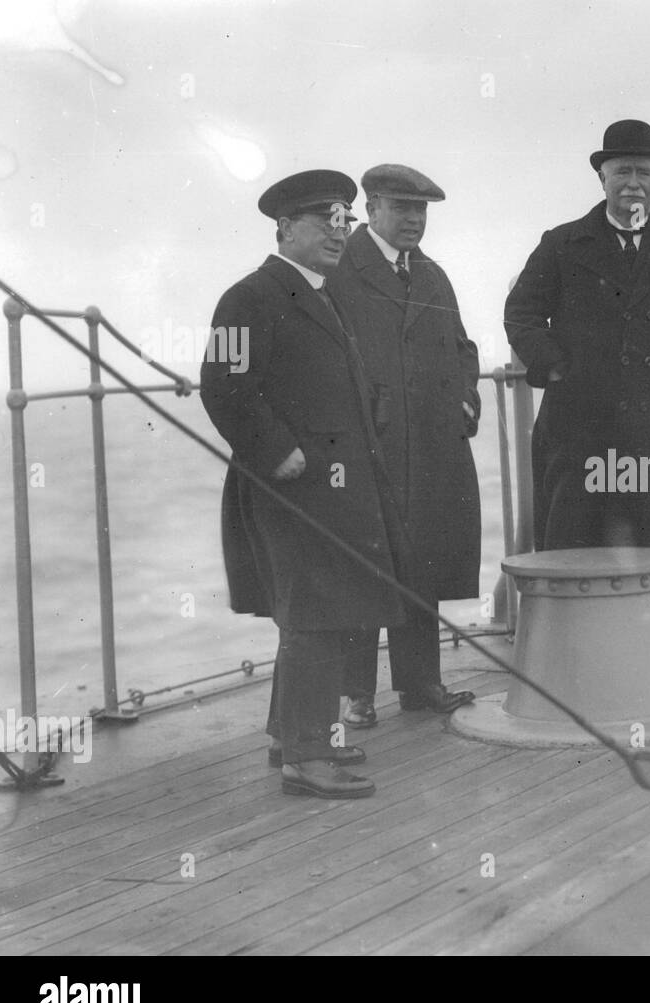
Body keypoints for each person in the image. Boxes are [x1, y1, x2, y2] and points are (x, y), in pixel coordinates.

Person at [201, 169, 406, 798]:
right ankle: (306, 757)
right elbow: (222, 385)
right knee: (313, 614)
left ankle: (288, 736)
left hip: (337, 485)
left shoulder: (323, 293)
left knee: (323, 609)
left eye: (346, 219)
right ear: (286, 227)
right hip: (288, 486)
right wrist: (276, 449)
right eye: (325, 220)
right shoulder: (250, 295)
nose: (339, 231)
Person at [504, 119, 650, 599]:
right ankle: (572, 667)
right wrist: (555, 367)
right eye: (622, 171)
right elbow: (521, 314)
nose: (633, 183)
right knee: (572, 554)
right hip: (576, 434)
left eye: (644, 172)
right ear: (602, 178)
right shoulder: (561, 244)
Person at [328, 164, 482, 726]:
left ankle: (421, 685)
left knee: (423, 562)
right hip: (371, 445)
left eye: (420, 211)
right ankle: (356, 694)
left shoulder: (433, 275)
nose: (414, 220)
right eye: (401, 208)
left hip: (433, 446)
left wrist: (467, 400)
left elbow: (463, 350)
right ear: (370, 210)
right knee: (364, 564)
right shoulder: (341, 270)